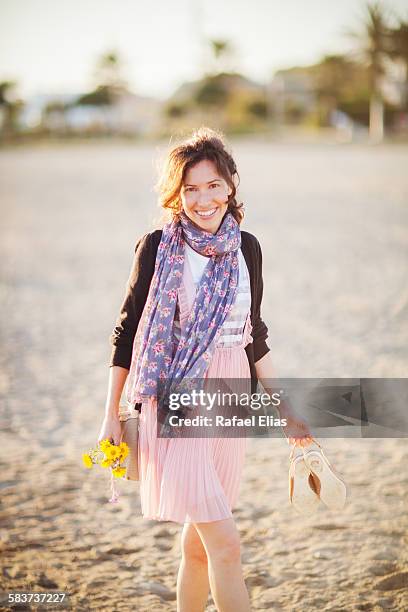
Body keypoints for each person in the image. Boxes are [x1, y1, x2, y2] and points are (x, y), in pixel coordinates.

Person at [98, 127, 313, 612]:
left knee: (199, 546)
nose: (203, 199)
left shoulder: (247, 248)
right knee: (227, 545)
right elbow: (127, 333)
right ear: (176, 195)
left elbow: (254, 334)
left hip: (231, 391)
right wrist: (111, 412)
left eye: (213, 185)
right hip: (177, 397)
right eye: (190, 189)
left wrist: (286, 411)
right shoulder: (157, 246)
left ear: (231, 185)